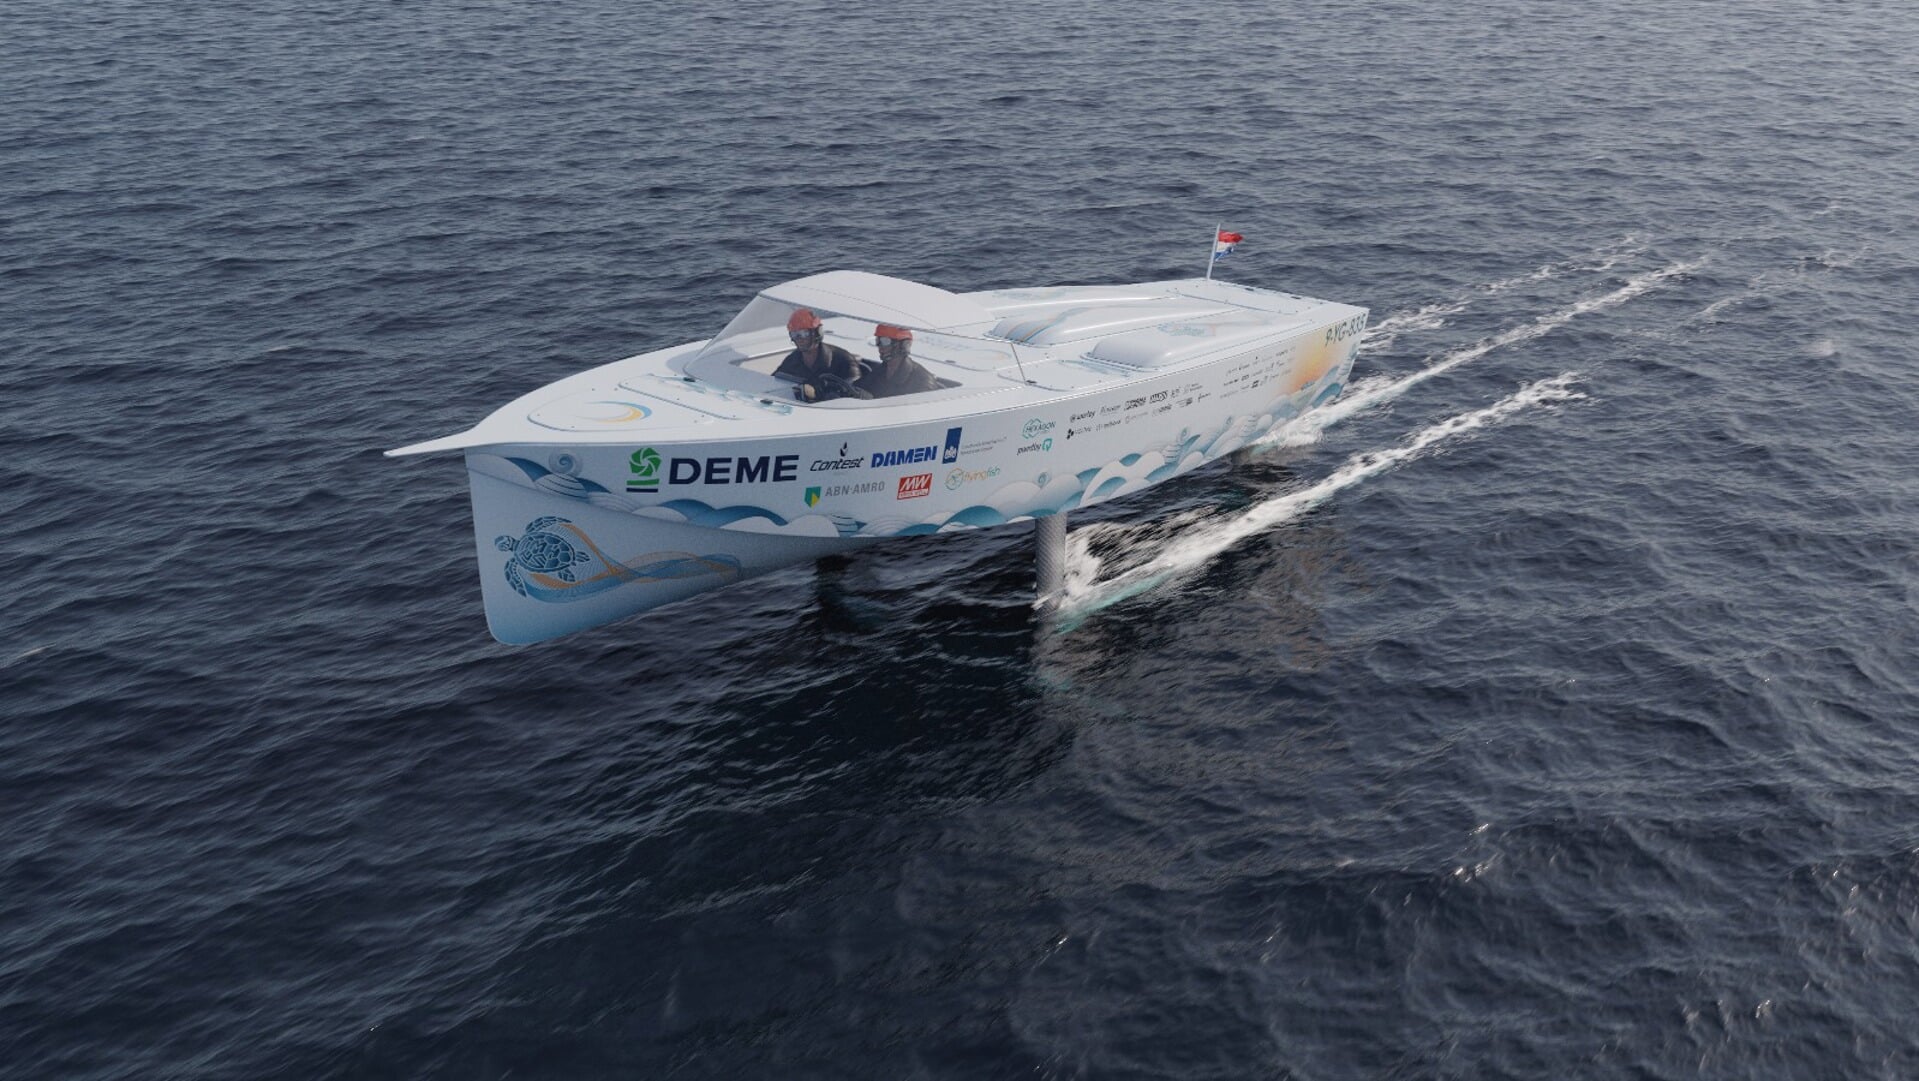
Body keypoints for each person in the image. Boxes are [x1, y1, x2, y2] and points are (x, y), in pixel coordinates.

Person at [775, 308, 864, 401]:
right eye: (795, 334)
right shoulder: (792, 360)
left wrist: (821, 392)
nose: (799, 339)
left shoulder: (844, 360)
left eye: (804, 333)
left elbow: (857, 393)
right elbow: (776, 380)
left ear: (817, 332)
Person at [860, 324, 941, 399]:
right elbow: (860, 387)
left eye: (885, 341)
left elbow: (913, 411)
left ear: (903, 345)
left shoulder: (922, 382)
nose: (880, 346)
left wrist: (872, 400)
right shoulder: (881, 370)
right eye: (878, 340)